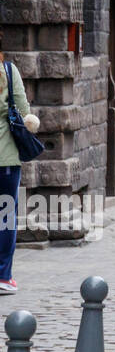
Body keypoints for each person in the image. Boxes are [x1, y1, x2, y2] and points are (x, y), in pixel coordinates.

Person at [0, 44, 40, 294]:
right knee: (5, 217)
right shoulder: (8, 70)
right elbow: (25, 114)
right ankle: (3, 276)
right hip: (5, 159)